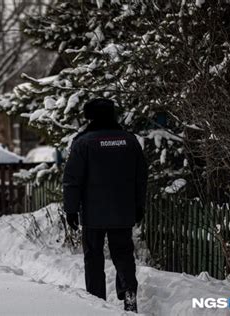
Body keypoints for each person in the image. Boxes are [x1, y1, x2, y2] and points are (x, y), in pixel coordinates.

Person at [62, 98, 148, 313]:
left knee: (93, 256)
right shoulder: (130, 141)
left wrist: (71, 209)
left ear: (90, 117)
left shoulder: (84, 142)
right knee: (123, 253)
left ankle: (96, 300)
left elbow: (73, 178)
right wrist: (139, 205)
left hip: (93, 213)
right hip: (123, 210)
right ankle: (129, 292)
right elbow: (141, 177)